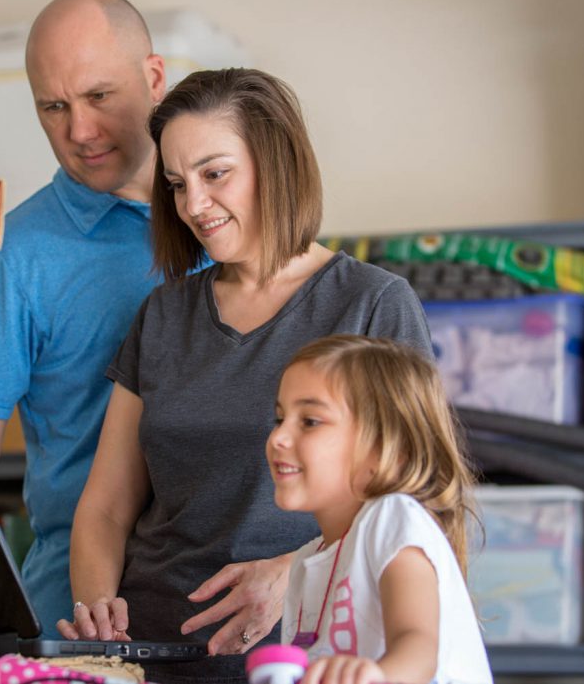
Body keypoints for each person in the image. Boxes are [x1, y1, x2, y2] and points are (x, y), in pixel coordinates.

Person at [58, 68, 433, 684]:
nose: (194, 205)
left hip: (306, 658)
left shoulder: (372, 304)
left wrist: (295, 572)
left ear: (275, 163)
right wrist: (98, 617)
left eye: (215, 174)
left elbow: (417, 502)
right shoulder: (163, 313)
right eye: (178, 184)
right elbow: (105, 508)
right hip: (150, 657)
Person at [0, 0, 166, 637]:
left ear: (153, 77)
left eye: (99, 97)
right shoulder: (12, 255)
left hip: (229, 608)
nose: (80, 132)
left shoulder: (227, 222)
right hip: (73, 616)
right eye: (54, 106)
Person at [270, 334, 491, 684]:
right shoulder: (305, 563)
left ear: (385, 447)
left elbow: (417, 644)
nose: (278, 438)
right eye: (279, 419)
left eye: (309, 421)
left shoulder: (391, 518)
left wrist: (379, 675)